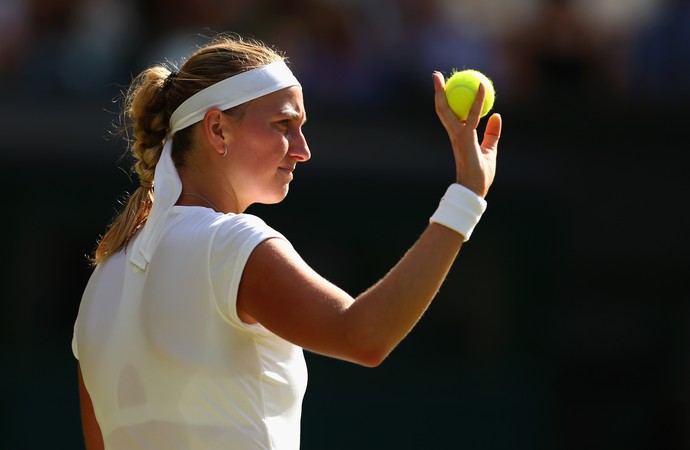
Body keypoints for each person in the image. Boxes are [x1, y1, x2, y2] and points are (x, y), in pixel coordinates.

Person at [72, 33, 502, 450]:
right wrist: (466, 197)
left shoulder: (102, 278)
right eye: (284, 125)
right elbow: (363, 335)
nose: (302, 149)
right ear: (217, 129)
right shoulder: (232, 243)